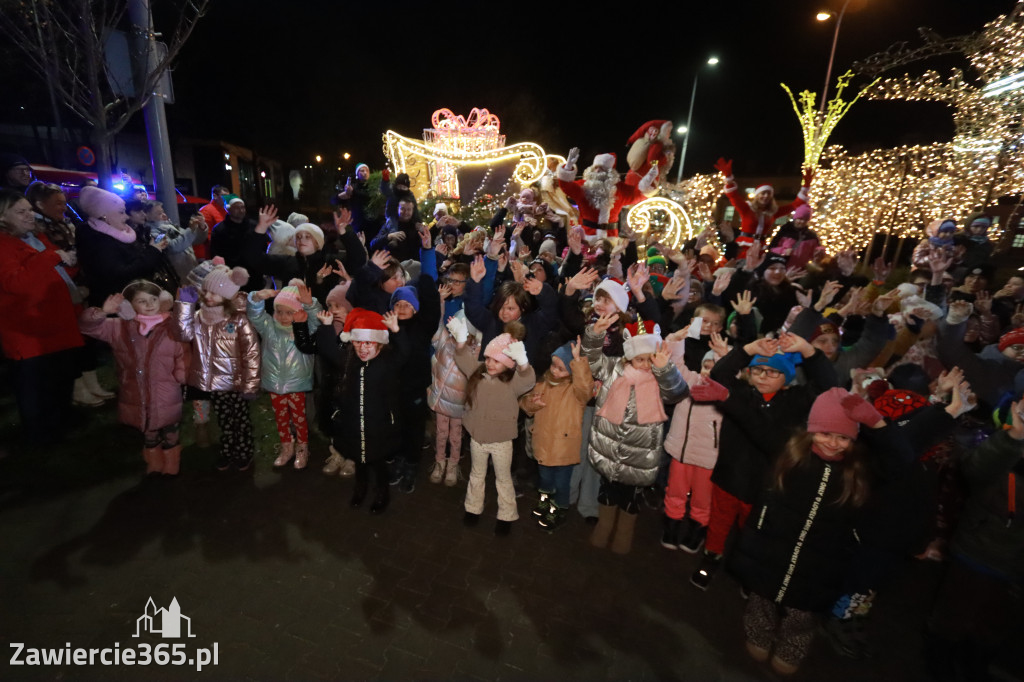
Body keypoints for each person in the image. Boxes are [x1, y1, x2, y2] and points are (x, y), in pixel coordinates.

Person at [730, 387, 910, 675]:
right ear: (811, 430)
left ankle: (791, 649)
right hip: (772, 549)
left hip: (821, 561)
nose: (834, 444)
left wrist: (877, 424)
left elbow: (902, 461)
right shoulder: (790, 452)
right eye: (826, 433)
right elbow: (753, 422)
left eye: (844, 437)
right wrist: (727, 395)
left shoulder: (860, 469)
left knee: (802, 615)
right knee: (761, 599)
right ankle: (759, 634)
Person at [583, 315, 687, 554]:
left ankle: (624, 534)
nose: (645, 365)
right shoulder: (612, 368)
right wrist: (595, 335)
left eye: (650, 360)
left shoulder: (660, 379)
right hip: (609, 450)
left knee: (631, 499)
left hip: (639, 458)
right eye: (639, 359)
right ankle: (604, 526)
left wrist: (665, 370)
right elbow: (590, 360)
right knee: (607, 492)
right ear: (629, 356)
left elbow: (678, 392)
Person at [0, 189, 84, 444]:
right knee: (34, 385)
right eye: (21, 212)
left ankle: (58, 423)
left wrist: (69, 261)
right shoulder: (4, 245)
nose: (29, 215)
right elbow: (16, 283)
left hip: (53, 322)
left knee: (57, 378)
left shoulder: (35, 238)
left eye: (29, 210)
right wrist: (52, 257)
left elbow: (51, 269)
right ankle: (40, 435)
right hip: (27, 328)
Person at [79, 281, 187, 474]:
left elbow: (181, 353)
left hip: (166, 391)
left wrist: (180, 375)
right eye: (141, 301)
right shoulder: (119, 328)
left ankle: (171, 462)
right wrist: (103, 312)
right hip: (136, 391)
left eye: (153, 299)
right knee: (148, 428)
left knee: (170, 428)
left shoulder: (170, 326)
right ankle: (154, 461)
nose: (149, 304)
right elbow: (87, 327)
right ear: (128, 306)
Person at [314, 308, 406, 514]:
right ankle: (361, 487)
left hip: (378, 425)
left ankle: (382, 491)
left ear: (379, 345)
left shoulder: (386, 363)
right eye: (357, 342)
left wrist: (396, 331)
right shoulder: (349, 362)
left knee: (377, 460)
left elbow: (404, 355)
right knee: (359, 460)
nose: (362, 348)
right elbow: (328, 349)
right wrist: (327, 327)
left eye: (368, 343)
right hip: (354, 423)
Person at [173, 265, 260, 471]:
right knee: (224, 420)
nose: (209, 297)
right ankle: (228, 450)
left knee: (240, 420)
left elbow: (252, 354)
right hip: (214, 383)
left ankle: (244, 451)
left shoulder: (239, 321)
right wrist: (184, 305)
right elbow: (182, 334)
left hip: (236, 383)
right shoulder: (199, 318)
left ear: (227, 296)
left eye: (215, 293)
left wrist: (251, 385)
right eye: (206, 291)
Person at [452, 324, 536, 535]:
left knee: (503, 478)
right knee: (476, 474)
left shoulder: (513, 382)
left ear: (508, 363)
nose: (489, 363)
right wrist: (461, 341)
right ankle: (473, 508)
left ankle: (506, 514)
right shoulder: (478, 372)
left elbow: (528, 381)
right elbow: (463, 359)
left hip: (501, 441)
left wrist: (524, 363)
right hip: (477, 438)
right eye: (488, 358)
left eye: (496, 361)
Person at [519, 339, 595, 531]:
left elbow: (586, 388)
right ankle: (544, 502)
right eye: (553, 365)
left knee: (561, 484)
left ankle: (558, 509)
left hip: (563, 448)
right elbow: (526, 406)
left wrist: (578, 362)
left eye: (561, 369)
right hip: (543, 443)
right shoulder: (543, 384)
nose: (554, 371)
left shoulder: (575, 392)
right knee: (545, 480)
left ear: (571, 372)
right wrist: (533, 403)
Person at [247, 282, 322, 470]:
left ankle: (302, 448)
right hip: (274, 383)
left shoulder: (305, 329)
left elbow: (316, 318)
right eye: (279, 311)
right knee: (281, 417)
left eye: (289, 312)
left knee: (299, 417)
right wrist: (256, 298)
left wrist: (310, 303)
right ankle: (286, 446)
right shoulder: (269, 327)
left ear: (298, 312)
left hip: (297, 382)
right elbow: (255, 315)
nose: (283, 317)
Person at [75, 186, 169, 306]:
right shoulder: (98, 240)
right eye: (121, 212)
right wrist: (153, 250)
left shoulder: (121, 233)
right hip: (117, 306)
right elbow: (122, 274)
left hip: (133, 300)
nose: (126, 216)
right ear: (104, 215)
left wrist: (155, 249)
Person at [714, 157, 811, 258]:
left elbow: (794, 205)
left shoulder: (773, 212)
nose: (765, 196)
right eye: (763, 193)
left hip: (761, 247)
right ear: (757, 195)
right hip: (744, 246)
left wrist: (805, 187)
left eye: (768, 194)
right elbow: (733, 196)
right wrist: (729, 178)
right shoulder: (747, 208)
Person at [143, 200, 208, 282]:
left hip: (190, 270)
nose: (164, 215)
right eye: (159, 213)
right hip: (178, 275)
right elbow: (172, 247)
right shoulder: (152, 232)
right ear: (147, 216)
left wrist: (201, 227)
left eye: (163, 212)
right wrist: (191, 229)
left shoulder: (170, 226)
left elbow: (195, 240)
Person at [197, 185, 230, 260]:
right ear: (215, 196)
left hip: (221, 253)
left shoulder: (225, 210)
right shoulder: (206, 210)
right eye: (224, 196)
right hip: (209, 255)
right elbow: (206, 236)